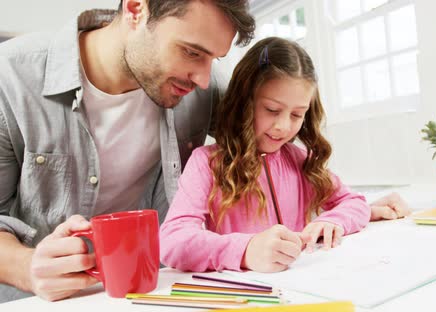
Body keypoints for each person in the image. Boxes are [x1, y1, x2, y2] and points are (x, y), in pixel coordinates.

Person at [0, 0, 255, 302]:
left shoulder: (202, 86)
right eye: (191, 52)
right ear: (136, 10)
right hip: (41, 301)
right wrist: (28, 267)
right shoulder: (11, 78)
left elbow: (273, 136)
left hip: (154, 292)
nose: (202, 78)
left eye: (214, 59)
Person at [159, 37, 405, 274]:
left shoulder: (299, 160)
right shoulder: (207, 163)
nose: (284, 127)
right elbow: (172, 242)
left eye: (297, 114)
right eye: (272, 109)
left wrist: (334, 221)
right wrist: (246, 250)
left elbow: (353, 202)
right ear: (245, 101)